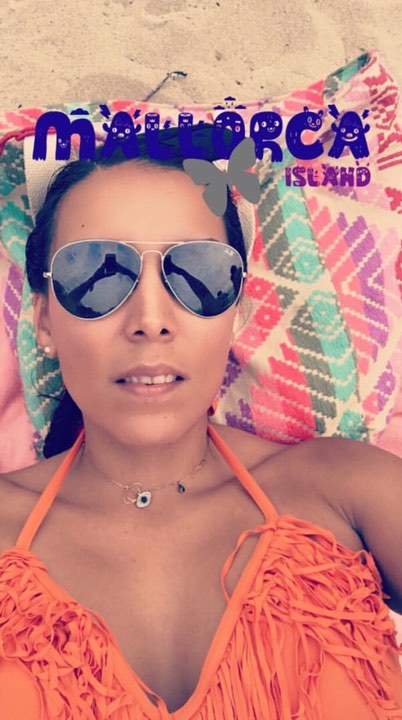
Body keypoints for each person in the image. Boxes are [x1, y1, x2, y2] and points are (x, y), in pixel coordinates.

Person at [0, 126, 401, 720]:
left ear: (236, 313)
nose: (150, 318)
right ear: (44, 322)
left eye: (199, 273)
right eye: (96, 276)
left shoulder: (345, 487)